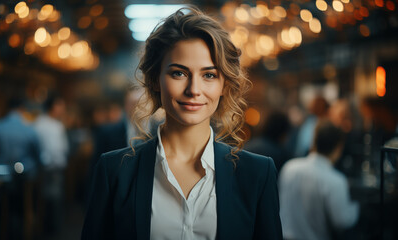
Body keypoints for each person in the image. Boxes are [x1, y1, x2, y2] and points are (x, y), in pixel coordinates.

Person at [82, 7, 282, 240]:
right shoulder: (114, 171)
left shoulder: (257, 173)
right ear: (155, 80)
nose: (194, 90)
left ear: (224, 85)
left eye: (209, 75)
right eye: (179, 73)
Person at [279, 120, 359, 240]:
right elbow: (342, 221)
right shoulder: (336, 181)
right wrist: (356, 207)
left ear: (314, 140)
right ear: (338, 147)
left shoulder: (289, 168)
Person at [34, 93, 69, 233]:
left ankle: (46, 227)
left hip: (43, 167)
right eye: (60, 105)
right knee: (54, 199)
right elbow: (57, 150)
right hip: (53, 168)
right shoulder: (54, 126)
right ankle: (53, 229)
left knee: (45, 199)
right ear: (53, 107)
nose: (63, 108)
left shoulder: (38, 123)